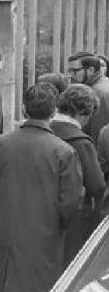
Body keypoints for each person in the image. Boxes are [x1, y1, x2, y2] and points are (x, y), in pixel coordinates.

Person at [0, 83, 83, 292]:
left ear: (24, 109)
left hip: (7, 236)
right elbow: (71, 202)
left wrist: (3, 205)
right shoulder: (64, 152)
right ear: (54, 111)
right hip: (44, 241)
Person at [50, 84, 105, 266]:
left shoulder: (45, 130)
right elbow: (96, 185)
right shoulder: (81, 142)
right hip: (74, 215)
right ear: (83, 112)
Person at [67, 53, 109, 145]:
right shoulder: (102, 84)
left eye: (74, 71)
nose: (70, 75)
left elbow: (97, 137)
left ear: (90, 70)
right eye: (69, 71)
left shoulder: (97, 93)